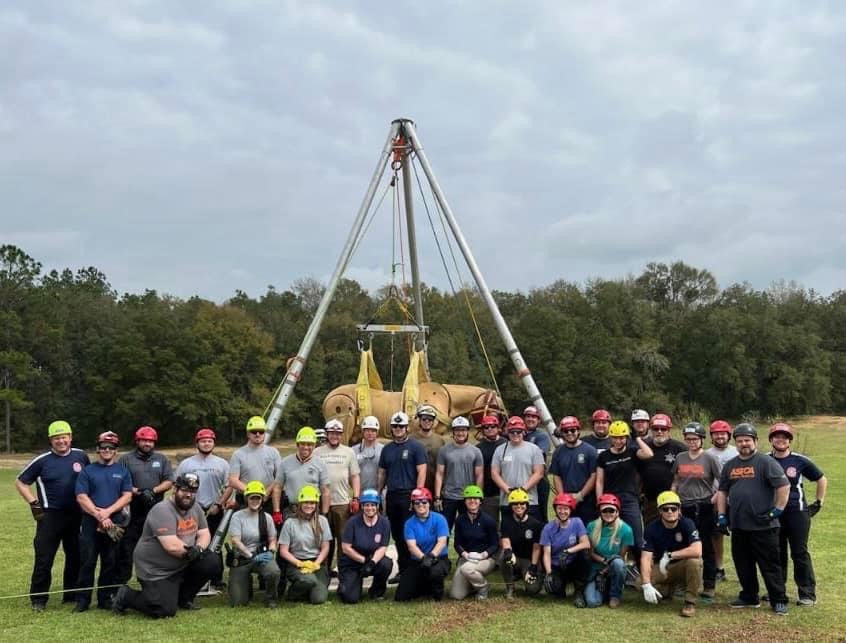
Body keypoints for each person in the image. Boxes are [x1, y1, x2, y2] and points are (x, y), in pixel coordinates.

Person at [112, 473, 220, 617]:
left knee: (211, 561)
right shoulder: (162, 510)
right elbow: (171, 546)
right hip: (156, 570)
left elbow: (204, 533)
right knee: (164, 610)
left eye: (193, 491)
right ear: (175, 489)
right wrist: (190, 553)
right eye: (185, 490)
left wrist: (198, 548)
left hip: (180, 563)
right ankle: (126, 595)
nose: (189, 495)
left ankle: (184, 599)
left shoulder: (196, 508)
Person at [715, 423, 790, 615]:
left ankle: (778, 599)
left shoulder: (766, 462)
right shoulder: (730, 466)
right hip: (739, 525)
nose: (744, 444)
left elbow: (783, 486)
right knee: (743, 564)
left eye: (747, 440)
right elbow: (722, 491)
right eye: (740, 441)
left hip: (764, 525)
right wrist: (722, 515)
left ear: (755, 441)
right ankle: (749, 596)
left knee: (770, 565)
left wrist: (778, 510)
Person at [15, 419, 90, 611]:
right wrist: (34, 503)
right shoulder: (42, 460)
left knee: (75, 555)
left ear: (70, 437)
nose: (61, 441)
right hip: (50, 516)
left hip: (76, 514)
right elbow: (21, 482)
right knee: (44, 558)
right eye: (56, 438)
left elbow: (88, 479)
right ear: (51, 440)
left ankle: (70, 594)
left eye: (64, 437)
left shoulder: (81, 456)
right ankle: (38, 600)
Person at [768, 422, 827, 607]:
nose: (781, 439)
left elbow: (821, 478)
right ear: (771, 439)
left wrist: (818, 502)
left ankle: (807, 593)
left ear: (789, 440)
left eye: (784, 437)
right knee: (777, 553)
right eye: (777, 436)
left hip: (796, 512)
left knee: (799, 553)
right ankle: (778, 591)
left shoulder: (799, 460)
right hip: (773, 513)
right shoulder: (764, 460)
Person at [73, 431, 133, 612]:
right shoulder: (87, 471)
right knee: (87, 562)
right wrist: (99, 515)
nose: (107, 450)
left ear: (116, 451)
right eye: (103, 447)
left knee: (110, 562)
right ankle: (82, 601)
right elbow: (81, 496)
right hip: (90, 523)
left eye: (111, 448)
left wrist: (107, 512)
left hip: (113, 523)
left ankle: (104, 599)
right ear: (97, 450)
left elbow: (127, 496)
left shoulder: (122, 472)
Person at [116, 425, 174, 584]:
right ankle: (121, 585)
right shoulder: (125, 459)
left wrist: (153, 491)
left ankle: (155, 582)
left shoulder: (161, 459)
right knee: (127, 551)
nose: (147, 443)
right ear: (137, 441)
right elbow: (120, 481)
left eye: (150, 441)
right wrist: (138, 491)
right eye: (144, 440)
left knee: (155, 550)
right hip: (131, 512)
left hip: (155, 511)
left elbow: (169, 480)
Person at [176, 427, 230, 590]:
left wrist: (218, 504)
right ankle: (190, 577)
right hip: (191, 510)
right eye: (203, 441)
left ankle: (215, 579)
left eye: (209, 441)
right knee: (190, 543)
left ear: (213, 443)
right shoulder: (187, 464)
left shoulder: (222, 464)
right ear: (197, 443)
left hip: (214, 510)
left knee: (215, 544)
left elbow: (229, 487)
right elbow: (177, 486)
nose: (206, 444)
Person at [672, 422, 721, 600]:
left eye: (695, 439)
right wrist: (673, 498)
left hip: (704, 507)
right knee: (682, 544)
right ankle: (681, 583)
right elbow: (676, 480)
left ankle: (709, 585)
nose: (691, 442)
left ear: (701, 440)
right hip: (684, 507)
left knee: (706, 546)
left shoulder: (709, 458)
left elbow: (722, 482)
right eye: (688, 439)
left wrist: (713, 499)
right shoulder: (680, 457)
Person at [595, 420, 653, 567]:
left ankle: (644, 573)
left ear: (627, 437)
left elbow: (649, 453)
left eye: (622, 437)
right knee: (611, 537)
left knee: (637, 538)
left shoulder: (632, 452)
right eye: (615, 437)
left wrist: (637, 438)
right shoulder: (604, 457)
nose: (618, 441)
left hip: (629, 499)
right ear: (611, 438)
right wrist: (600, 501)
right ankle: (610, 569)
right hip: (610, 500)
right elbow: (599, 481)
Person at [377, 411, 427, 579]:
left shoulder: (416, 447)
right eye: (395, 426)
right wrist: (378, 494)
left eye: (401, 426)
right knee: (397, 534)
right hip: (392, 495)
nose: (398, 429)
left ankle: (415, 568)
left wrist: (417, 495)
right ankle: (403, 569)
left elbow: (422, 471)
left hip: (409, 495)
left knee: (410, 534)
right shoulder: (387, 449)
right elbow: (382, 474)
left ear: (407, 428)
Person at [640, 491, 703, 618]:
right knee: (638, 583)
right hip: (663, 568)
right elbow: (645, 558)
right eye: (666, 509)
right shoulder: (651, 528)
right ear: (660, 511)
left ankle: (689, 602)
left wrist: (670, 555)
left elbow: (697, 551)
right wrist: (646, 584)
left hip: (682, 565)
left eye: (674, 508)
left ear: (679, 510)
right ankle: (668, 588)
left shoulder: (687, 523)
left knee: (695, 562)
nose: (670, 511)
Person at [315, 419, 361, 575]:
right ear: (327, 434)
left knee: (343, 539)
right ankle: (325, 570)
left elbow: (354, 476)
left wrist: (356, 497)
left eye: (338, 433)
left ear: (341, 435)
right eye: (331, 433)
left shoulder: (348, 452)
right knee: (325, 539)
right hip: (322, 502)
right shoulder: (317, 452)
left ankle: (344, 570)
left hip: (342, 502)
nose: (334, 436)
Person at [227, 480, 280, 608]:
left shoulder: (266, 517)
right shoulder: (237, 516)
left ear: (262, 499)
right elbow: (235, 540)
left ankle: (270, 598)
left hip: (261, 556)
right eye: (252, 498)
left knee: (274, 571)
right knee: (238, 602)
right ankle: (245, 583)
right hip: (242, 558)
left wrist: (271, 552)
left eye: (258, 498)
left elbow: (273, 539)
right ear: (247, 498)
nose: (255, 500)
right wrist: (250, 555)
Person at [276, 485, 332, 604]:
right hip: (296, 563)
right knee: (309, 581)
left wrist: (316, 564)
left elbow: (326, 547)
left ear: (316, 504)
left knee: (318, 599)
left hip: (316, 564)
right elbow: (283, 551)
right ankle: (292, 594)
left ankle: (307, 590)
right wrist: (299, 563)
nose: (309, 506)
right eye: (306, 502)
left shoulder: (322, 521)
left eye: (312, 503)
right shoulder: (290, 523)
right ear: (300, 503)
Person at [395, 487, 451, 602]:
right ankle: (424, 587)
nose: (421, 505)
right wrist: (423, 558)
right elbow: (411, 546)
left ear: (429, 503)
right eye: (417, 502)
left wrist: (431, 556)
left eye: (424, 502)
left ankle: (437, 595)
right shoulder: (409, 523)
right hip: (418, 560)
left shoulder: (440, 519)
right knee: (401, 596)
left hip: (438, 559)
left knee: (435, 572)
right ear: (413, 505)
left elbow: (442, 542)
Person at [338, 488, 393, 603]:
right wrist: (364, 560)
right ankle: (346, 585)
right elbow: (346, 548)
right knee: (350, 598)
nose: (370, 508)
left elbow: (383, 547)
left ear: (378, 506)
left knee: (386, 564)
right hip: (352, 562)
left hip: (372, 560)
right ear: (362, 506)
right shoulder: (352, 522)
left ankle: (376, 592)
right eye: (366, 505)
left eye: (373, 505)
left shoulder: (384, 522)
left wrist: (372, 563)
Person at [491, 416, 545, 522]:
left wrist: (523, 489)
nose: (515, 434)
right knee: (508, 534)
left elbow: (539, 473)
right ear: (507, 432)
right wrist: (508, 490)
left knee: (530, 535)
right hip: (507, 501)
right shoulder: (500, 450)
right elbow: (494, 473)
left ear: (523, 432)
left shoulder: (534, 449)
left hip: (529, 500)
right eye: (512, 432)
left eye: (518, 431)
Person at [540, 493, 590, 606]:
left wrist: (568, 551)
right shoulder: (548, 528)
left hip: (573, 563)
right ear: (555, 510)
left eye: (566, 509)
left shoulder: (577, 522)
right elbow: (546, 553)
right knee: (556, 591)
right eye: (560, 509)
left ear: (571, 510)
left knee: (585, 556)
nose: (562, 512)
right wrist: (549, 573)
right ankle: (562, 586)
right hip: (557, 565)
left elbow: (586, 543)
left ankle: (579, 592)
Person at [584, 493, 633, 608]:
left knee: (618, 563)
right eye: (604, 511)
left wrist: (604, 571)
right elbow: (590, 553)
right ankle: (604, 589)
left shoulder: (626, 530)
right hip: (596, 568)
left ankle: (615, 595)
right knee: (592, 602)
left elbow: (620, 557)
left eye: (612, 510)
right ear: (600, 512)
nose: (608, 514)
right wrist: (604, 562)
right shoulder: (591, 526)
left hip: (613, 567)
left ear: (617, 512)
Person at [450, 485, 499, 600]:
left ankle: (483, 587)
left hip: (485, 559)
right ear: (465, 501)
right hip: (466, 558)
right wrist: (465, 554)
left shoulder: (488, 520)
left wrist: (483, 555)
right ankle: (472, 585)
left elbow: (495, 544)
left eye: (475, 498)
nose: (472, 501)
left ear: (480, 501)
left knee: (466, 569)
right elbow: (457, 544)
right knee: (456, 595)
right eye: (469, 498)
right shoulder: (460, 520)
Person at [434, 416, 483, 530]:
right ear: (453, 432)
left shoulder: (475, 451)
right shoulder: (444, 450)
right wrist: (437, 497)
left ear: (467, 432)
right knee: (444, 530)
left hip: (468, 496)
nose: (460, 433)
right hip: (449, 496)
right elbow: (439, 474)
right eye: (457, 430)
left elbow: (479, 475)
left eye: (463, 430)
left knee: (469, 530)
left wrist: (478, 496)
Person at [273, 426, 330, 522]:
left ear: (314, 445)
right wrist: (276, 511)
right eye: (303, 444)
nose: (306, 447)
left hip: (313, 510)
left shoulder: (320, 464)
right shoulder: (285, 463)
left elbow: (326, 491)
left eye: (309, 444)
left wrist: (324, 514)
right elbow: (277, 488)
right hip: (292, 510)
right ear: (297, 444)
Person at [550, 415, 598, 526]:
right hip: (566, 501)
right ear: (562, 433)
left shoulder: (590, 450)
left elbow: (594, 475)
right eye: (566, 431)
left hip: (587, 500)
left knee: (588, 533)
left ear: (578, 430)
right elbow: (556, 476)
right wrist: (562, 497)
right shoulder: (558, 452)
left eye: (572, 430)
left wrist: (580, 495)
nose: (569, 433)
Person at [228, 415, 283, 511]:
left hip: (268, 500)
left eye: (261, 431)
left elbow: (279, 477)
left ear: (264, 433)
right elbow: (233, 480)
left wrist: (266, 492)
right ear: (248, 434)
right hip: (245, 501)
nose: (257, 434)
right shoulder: (238, 454)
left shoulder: (273, 452)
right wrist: (254, 493)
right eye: (254, 431)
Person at [638, 413, 685, 524]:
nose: (659, 431)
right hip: (650, 500)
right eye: (656, 428)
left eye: (663, 429)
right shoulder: (644, 447)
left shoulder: (680, 448)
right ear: (651, 430)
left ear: (669, 430)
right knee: (650, 533)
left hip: (673, 499)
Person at [706, 419, 737, 581]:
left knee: (741, 534)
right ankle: (719, 568)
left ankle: (744, 567)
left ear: (728, 435)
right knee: (716, 535)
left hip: (737, 499)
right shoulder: (707, 454)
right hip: (716, 500)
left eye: (723, 433)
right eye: (716, 434)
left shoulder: (737, 451)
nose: (720, 436)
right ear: (711, 436)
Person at [499, 488, 543, 599]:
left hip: (529, 559)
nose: (519, 506)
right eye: (515, 504)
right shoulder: (506, 521)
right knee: (503, 557)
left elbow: (537, 548)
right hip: (515, 558)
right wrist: (508, 551)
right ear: (511, 506)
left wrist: (533, 566)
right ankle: (510, 587)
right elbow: (505, 539)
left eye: (522, 503)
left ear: (527, 505)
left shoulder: (535, 524)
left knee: (533, 590)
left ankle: (529, 574)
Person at [523, 405, 552, 521]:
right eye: (528, 416)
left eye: (534, 417)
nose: (530, 419)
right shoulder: (515, 434)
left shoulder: (541, 436)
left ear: (538, 420)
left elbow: (539, 455)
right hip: (522, 479)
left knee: (540, 515)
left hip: (539, 481)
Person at [476, 415, 506, 522]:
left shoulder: (506, 444)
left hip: (506, 491)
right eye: (486, 427)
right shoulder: (478, 448)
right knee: (491, 526)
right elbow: (478, 474)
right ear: (482, 430)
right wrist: (479, 494)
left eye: (492, 426)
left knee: (509, 526)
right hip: (489, 494)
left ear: (498, 428)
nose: (489, 429)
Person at [414, 404, 445, 495]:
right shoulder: (411, 440)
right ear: (419, 420)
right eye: (424, 419)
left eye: (430, 419)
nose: (427, 421)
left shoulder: (440, 441)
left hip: (435, 487)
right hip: (415, 487)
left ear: (433, 421)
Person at [352, 415, 384, 491]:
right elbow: (351, 475)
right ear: (363, 431)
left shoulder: (383, 450)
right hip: (360, 493)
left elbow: (384, 473)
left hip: (378, 492)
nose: (370, 433)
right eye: (367, 430)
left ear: (377, 432)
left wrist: (379, 491)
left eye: (373, 431)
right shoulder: (354, 450)